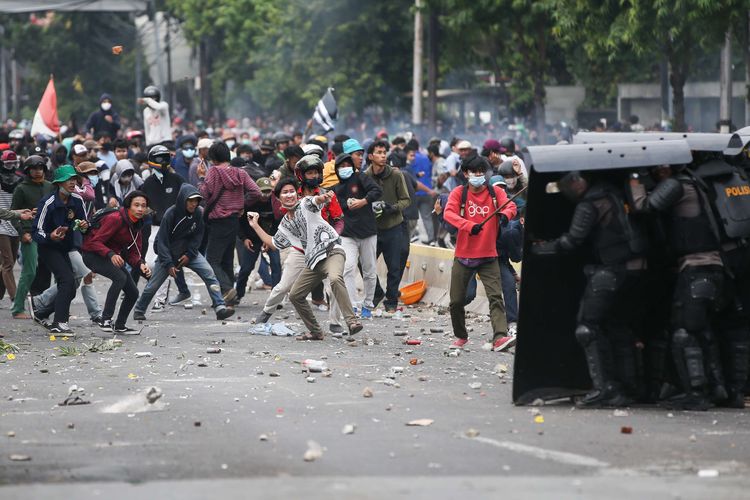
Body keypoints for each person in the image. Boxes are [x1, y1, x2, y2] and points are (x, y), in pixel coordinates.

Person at [532, 171, 647, 408]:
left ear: (577, 181)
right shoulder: (613, 192)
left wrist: (540, 250)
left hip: (612, 269)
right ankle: (630, 386)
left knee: (588, 328)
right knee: (617, 327)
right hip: (635, 269)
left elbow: (573, 240)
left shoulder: (590, 202)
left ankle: (606, 388)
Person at [247, 177, 363, 340]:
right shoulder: (285, 224)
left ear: (297, 194)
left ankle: (351, 322)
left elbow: (315, 201)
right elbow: (273, 243)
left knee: (335, 280)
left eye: (291, 191)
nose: (289, 195)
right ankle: (315, 331)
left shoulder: (306, 203)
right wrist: (255, 225)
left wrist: (322, 198)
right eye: (285, 193)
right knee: (295, 295)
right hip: (313, 261)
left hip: (331, 251)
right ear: (279, 198)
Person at [443, 154, 516, 351]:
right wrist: (468, 225)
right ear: (466, 174)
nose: (479, 175)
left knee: (495, 297)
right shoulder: (459, 193)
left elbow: (511, 205)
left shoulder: (494, 193)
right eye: (474, 172)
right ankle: (461, 335)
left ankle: (500, 336)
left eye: (482, 172)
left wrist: (505, 216)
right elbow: (448, 213)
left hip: (489, 256)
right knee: (456, 301)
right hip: (463, 256)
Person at [133, 184, 234, 321]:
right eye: (190, 201)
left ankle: (220, 307)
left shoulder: (198, 213)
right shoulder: (171, 214)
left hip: (188, 253)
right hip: (168, 254)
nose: (193, 204)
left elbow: (197, 236)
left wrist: (189, 254)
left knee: (209, 274)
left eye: (196, 201)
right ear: (183, 200)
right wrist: (168, 264)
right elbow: (162, 242)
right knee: (153, 286)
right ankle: (139, 310)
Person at [197, 141, 261, 303]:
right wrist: (241, 205)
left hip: (218, 222)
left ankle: (227, 289)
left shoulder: (213, 172)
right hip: (234, 221)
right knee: (226, 260)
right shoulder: (240, 173)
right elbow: (256, 192)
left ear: (213, 157)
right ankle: (228, 298)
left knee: (211, 260)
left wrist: (201, 178)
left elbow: (204, 194)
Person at [82, 191, 151, 334]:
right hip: (92, 254)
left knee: (133, 292)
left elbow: (134, 253)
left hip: (111, 257)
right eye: (136, 205)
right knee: (120, 277)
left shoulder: (138, 225)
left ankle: (120, 326)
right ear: (128, 206)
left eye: (143, 206)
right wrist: (111, 253)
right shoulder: (116, 218)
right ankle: (105, 319)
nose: (140, 209)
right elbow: (95, 242)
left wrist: (141, 264)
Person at [32, 165, 89, 334]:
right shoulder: (47, 202)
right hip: (48, 247)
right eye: (68, 180)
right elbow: (36, 231)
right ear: (58, 183)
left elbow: (84, 223)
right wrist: (51, 236)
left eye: (74, 179)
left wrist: (84, 226)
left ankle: (41, 311)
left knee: (71, 285)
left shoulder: (77, 200)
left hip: (66, 247)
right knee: (66, 280)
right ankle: (60, 323)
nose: (72, 183)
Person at [332, 152, 382, 318]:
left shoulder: (360, 178)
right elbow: (334, 210)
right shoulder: (336, 189)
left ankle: (367, 305)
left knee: (369, 270)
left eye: (348, 165)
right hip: (347, 235)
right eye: (341, 166)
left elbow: (376, 190)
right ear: (337, 170)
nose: (345, 169)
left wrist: (363, 201)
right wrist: (347, 206)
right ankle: (352, 305)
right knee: (348, 269)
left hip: (368, 232)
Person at [141, 145, 192, 306]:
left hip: (175, 228)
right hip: (155, 228)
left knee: (166, 261)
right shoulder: (148, 183)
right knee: (156, 262)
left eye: (165, 157)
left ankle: (161, 298)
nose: (163, 162)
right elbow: (141, 202)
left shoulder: (177, 180)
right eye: (159, 158)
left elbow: (189, 198)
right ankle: (181, 290)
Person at [365, 140, 411, 312]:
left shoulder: (396, 175)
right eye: (379, 152)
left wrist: (393, 208)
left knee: (394, 267)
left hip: (394, 227)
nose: (383, 155)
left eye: (385, 152)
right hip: (372, 229)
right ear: (370, 157)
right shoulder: (364, 176)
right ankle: (377, 292)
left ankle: (391, 301)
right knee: (365, 264)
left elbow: (406, 200)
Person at [10, 155, 54, 319]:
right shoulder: (21, 189)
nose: (38, 171)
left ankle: (51, 306)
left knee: (55, 270)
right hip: (30, 234)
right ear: (28, 171)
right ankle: (17, 308)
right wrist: (22, 234)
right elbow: (14, 214)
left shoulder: (50, 186)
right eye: (34, 169)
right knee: (29, 272)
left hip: (49, 234)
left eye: (40, 168)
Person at [0, 151, 22, 303]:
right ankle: (16, 299)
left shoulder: (20, 180)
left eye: (14, 164)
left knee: (10, 262)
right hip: (1, 224)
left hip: (15, 223)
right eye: (8, 164)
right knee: (8, 263)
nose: (11, 167)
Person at [405, 139, 436, 244]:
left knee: (410, 217)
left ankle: (411, 236)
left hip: (413, 193)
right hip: (426, 191)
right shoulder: (426, 158)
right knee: (427, 217)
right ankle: (431, 239)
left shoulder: (409, 160)